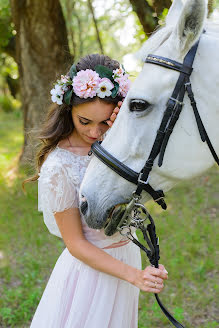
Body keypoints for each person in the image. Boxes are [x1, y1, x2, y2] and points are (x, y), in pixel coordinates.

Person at [27, 54, 168, 328]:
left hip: (126, 256)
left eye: (105, 122)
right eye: (85, 121)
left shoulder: (118, 150)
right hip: (90, 271)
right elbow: (76, 244)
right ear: (68, 110)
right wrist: (133, 275)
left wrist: (146, 267)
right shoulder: (60, 165)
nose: (95, 132)